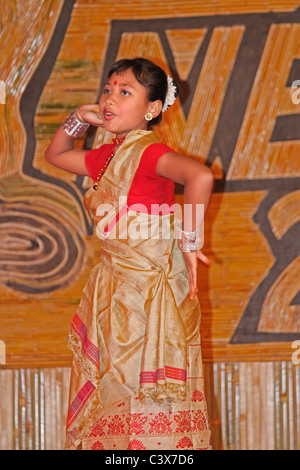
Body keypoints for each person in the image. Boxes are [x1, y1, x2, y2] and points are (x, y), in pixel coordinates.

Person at [45, 57, 214, 450]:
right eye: (108, 90)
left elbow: (200, 176)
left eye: (125, 92)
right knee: (116, 400)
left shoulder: (148, 153)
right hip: (114, 293)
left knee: (148, 399)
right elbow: (56, 155)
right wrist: (78, 118)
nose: (110, 99)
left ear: (152, 109)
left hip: (150, 297)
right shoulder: (107, 157)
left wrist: (189, 244)